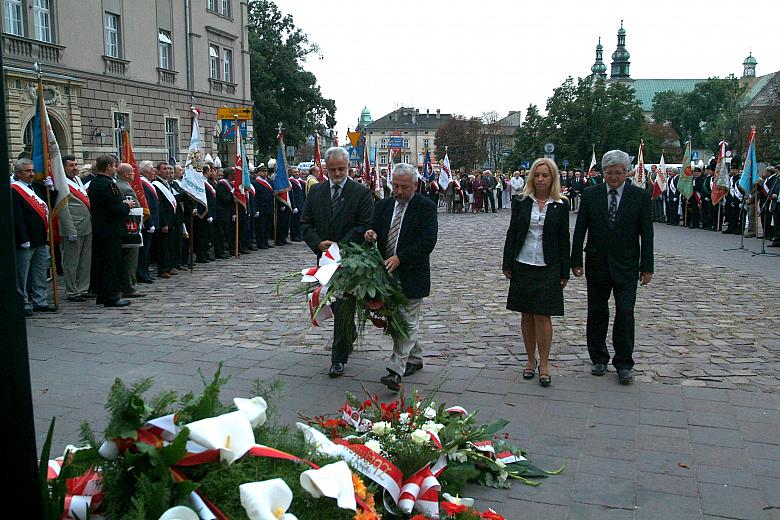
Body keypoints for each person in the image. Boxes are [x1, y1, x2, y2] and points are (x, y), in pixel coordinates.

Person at [570, 149, 654, 385]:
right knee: (597, 311)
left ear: (627, 173)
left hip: (627, 264)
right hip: (597, 262)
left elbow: (647, 235)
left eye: (618, 173)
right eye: (609, 172)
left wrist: (647, 267)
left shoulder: (640, 197)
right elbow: (580, 231)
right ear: (603, 172)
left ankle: (624, 362)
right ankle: (598, 358)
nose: (613, 177)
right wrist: (575, 259)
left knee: (625, 312)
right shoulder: (591, 194)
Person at [300, 146, 374, 378]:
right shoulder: (316, 192)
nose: (338, 173)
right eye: (333, 169)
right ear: (326, 169)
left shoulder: (360, 192)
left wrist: (340, 246)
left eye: (341, 169)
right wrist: (319, 243)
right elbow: (304, 224)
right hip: (324, 260)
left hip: (351, 260)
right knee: (331, 302)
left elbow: (364, 225)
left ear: (348, 167)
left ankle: (338, 358)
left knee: (343, 305)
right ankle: (348, 332)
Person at [364, 163, 438, 391]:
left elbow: (427, 242)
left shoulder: (425, 207)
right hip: (386, 275)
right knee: (402, 320)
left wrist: (400, 258)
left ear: (415, 185)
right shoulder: (384, 205)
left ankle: (395, 370)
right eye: (395, 186)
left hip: (412, 273)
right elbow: (374, 228)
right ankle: (415, 357)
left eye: (404, 187)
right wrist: (369, 233)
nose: (399, 191)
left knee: (406, 321)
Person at [502, 158, 570, 387]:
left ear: (553, 178)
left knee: (543, 315)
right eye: (537, 175)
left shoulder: (560, 204)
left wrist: (565, 270)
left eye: (545, 175)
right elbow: (512, 232)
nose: (541, 179)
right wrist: (507, 263)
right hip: (522, 262)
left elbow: (563, 238)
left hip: (548, 265)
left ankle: (545, 363)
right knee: (526, 314)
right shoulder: (521, 201)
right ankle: (530, 360)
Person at [88, 155, 135, 307]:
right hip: (111, 229)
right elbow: (116, 208)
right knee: (111, 264)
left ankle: (102, 294)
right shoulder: (109, 184)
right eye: (114, 166)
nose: (115, 169)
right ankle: (112, 296)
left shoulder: (95, 183)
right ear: (108, 167)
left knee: (101, 264)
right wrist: (127, 205)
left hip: (100, 229)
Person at [11, 159, 57, 316]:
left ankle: (40, 300)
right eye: (27, 171)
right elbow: (17, 217)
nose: (31, 174)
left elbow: (48, 205)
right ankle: (23, 302)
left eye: (32, 170)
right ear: (18, 173)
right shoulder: (14, 190)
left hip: (40, 238)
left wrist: (51, 190)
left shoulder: (35, 187)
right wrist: (23, 238)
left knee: (40, 271)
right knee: (23, 274)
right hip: (25, 240)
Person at [58, 154, 92, 302]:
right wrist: (69, 229)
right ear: (63, 167)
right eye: (71, 165)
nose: (75, 168)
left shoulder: (77, 180)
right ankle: (72, 291)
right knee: (71, 262)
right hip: (73, 226)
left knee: (85, 260)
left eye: (76, 165)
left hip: (86, 225)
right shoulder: (61, 182)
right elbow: (63, 208)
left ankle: (83, 288)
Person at [115, 163, 145, 298]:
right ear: (126, 174)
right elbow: (135, 208)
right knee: (130, 259)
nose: (134, 174)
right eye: (132, 172)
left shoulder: (117, 185)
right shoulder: (126, 188)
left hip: (122, 228)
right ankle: (129, 287)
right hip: (129, 227)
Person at [153, 161, 177, 278]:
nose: (167, 171)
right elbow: (160, 206)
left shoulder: (167, 183)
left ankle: (169, 265)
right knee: (163, 246)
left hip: (171, 219)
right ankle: (163, 268)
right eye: (164, 169)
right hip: (164, 220)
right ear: (157, 171)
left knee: (170, 245)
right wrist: (163, 223)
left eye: (168, 168)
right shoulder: (156, 185)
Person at [137, 161, 159, 282]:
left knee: (147, 250)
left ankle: (145, 272)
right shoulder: (143, 184)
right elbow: (147, 205)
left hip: (151, 221)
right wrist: (149, 222)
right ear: (145, 171)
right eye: (152, 169)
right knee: (144, 250)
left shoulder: (147, 183)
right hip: (147, 223)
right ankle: (142, 273)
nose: (153, 171)